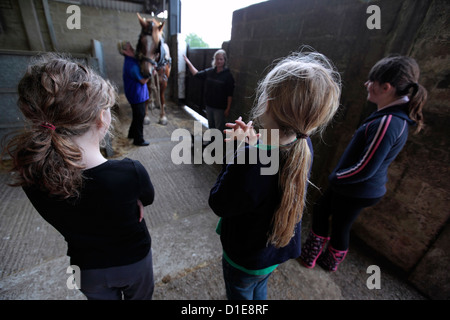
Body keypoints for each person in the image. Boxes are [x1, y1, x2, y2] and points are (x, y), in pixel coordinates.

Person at [4, 54, 155, 300]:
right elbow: (146, 198)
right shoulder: (130, 173)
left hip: (86, 269)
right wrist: (130, 199)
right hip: (134, 261)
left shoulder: (31, 175)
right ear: (101, 119)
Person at [208, 51, 342, 300]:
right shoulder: (304, 145)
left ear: (266, 102)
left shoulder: (251, 159)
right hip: (272, 254)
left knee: (241, 294)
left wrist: (242, 150)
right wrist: (252, 147)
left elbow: (219, 202)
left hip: (245, 256)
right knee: (259, 287)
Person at [300, 55, 427, 272]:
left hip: (356, 188)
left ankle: (324, 259)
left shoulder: (388, 121)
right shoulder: (391, 115)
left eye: (372, 81)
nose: (366, 84)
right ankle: (320, 257)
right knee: (327, 214)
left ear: (386, 87)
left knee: (338, 224)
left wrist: (336, 178)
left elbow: (366, 167)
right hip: (357, 186)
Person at [184, 49, 235, 133]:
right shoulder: (210, 72)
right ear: (214, 60)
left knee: (219, 128)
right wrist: (188, 62)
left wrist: (228, 108)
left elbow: (230, 94)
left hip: (220, 107)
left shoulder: (228, 76)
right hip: (209, 105)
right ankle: (212, 142)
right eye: (217, 59)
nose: (218, 61)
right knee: (211, 126)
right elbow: (197, 74)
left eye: (221, 59)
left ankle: (218, 145)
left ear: (224, 60)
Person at [119, 41, 150, 146]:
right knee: (140, 116)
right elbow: (143, 81)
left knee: (136, 115)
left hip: (136, 93)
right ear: (124, 51)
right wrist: (151, 73)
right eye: (129, 48)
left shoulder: (132, 60)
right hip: (136, 95)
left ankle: (131, 134)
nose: (132, 49)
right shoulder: (131, 65)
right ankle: (138, 140)